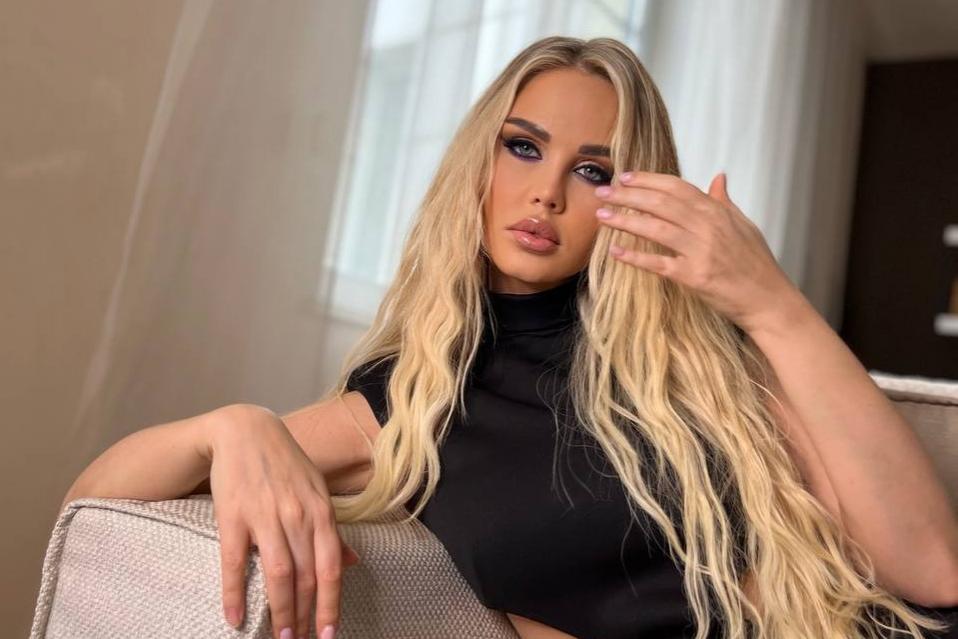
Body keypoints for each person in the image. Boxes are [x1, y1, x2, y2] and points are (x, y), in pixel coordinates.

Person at [62, 36, 958, 639]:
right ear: (479, 161)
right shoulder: (414, 398)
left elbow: (933, 568)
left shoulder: (701, 362)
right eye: (524, 147)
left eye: (593, 170)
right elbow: (89, 510)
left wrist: (771, 303)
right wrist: (232, 427)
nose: (547, 192)